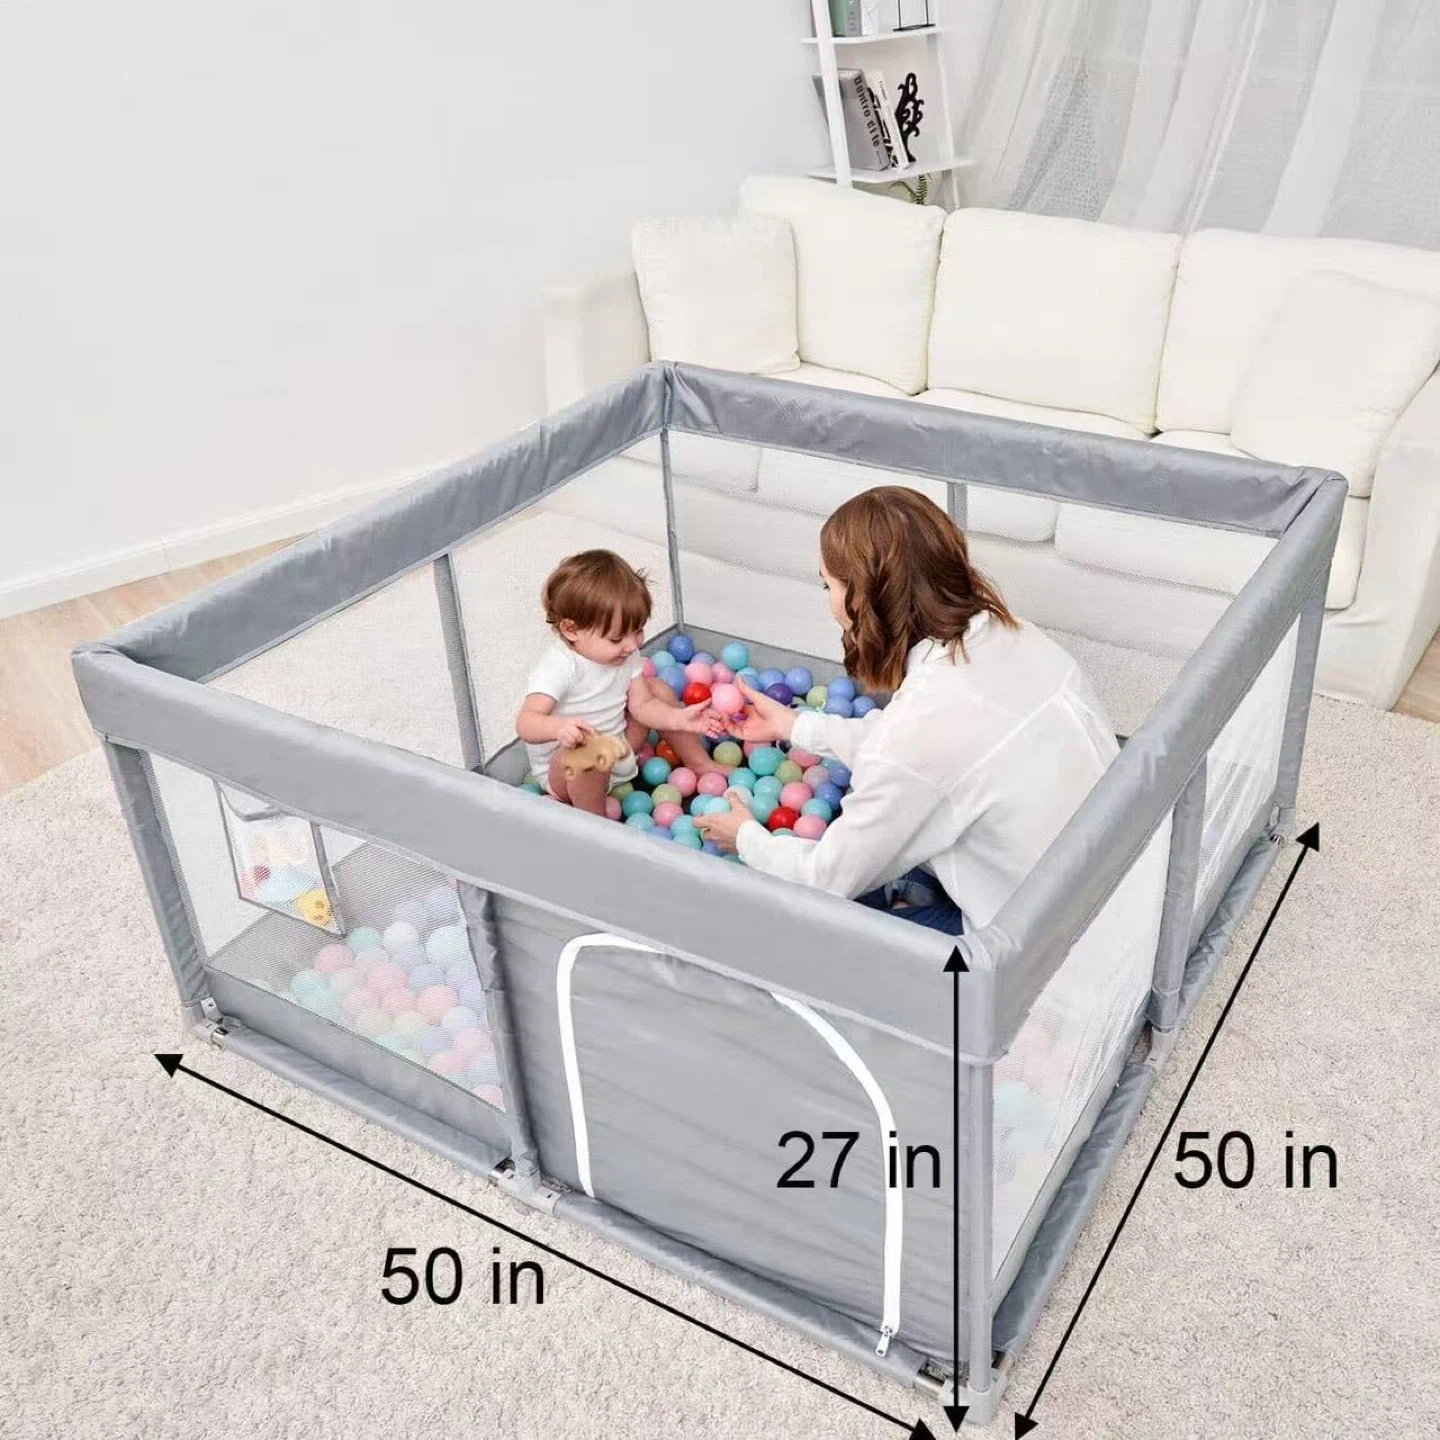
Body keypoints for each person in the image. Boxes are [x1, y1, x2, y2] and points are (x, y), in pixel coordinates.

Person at [695, 487, 1123, 936]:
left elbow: (822, 879)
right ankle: (911, 892)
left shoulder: (916, 737)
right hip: (1109, 892)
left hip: (1034, 955)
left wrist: (746, 838)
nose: (829, 602)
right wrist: (797, 725)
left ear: (861, 598)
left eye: (828, 585)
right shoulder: (1016, 636)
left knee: (796, 932)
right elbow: (934, 752)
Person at [515, 550, 726, 815]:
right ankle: (595, 822)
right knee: (589, 752)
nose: (632, 645)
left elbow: (643, 705)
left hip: (621, 751)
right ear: (571, 630)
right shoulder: (558, 667)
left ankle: (699, 763)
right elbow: (526, 723)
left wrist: (679, 718)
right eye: (616, 639)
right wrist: (559, 727)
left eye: (638, 631)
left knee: (656, 689)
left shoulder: (625, 653)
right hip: (570, 775)